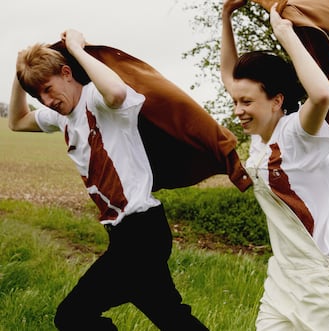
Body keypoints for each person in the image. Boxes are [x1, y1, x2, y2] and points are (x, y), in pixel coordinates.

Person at [8, 29, 209, 331]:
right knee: (172, 317)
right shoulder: (61, 116)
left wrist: (76, 49)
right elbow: (17, 121)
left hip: (141, 232)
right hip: (128, 235)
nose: (46, 101)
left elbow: (115, 93)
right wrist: (19, 74)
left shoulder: (98, 100)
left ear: (67, 73)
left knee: (72, 316)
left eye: (48, 89)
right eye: (39, 95)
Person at [221, 1, 329, 330]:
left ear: (277, 101)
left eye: (246, 102)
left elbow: (321, 95)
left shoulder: (300, 133)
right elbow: (230, 74)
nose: (238, 109)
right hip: (283, 280)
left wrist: (284, 32)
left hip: (324, 284)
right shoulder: (261, 135)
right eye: (235, 101)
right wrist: (226, 15)